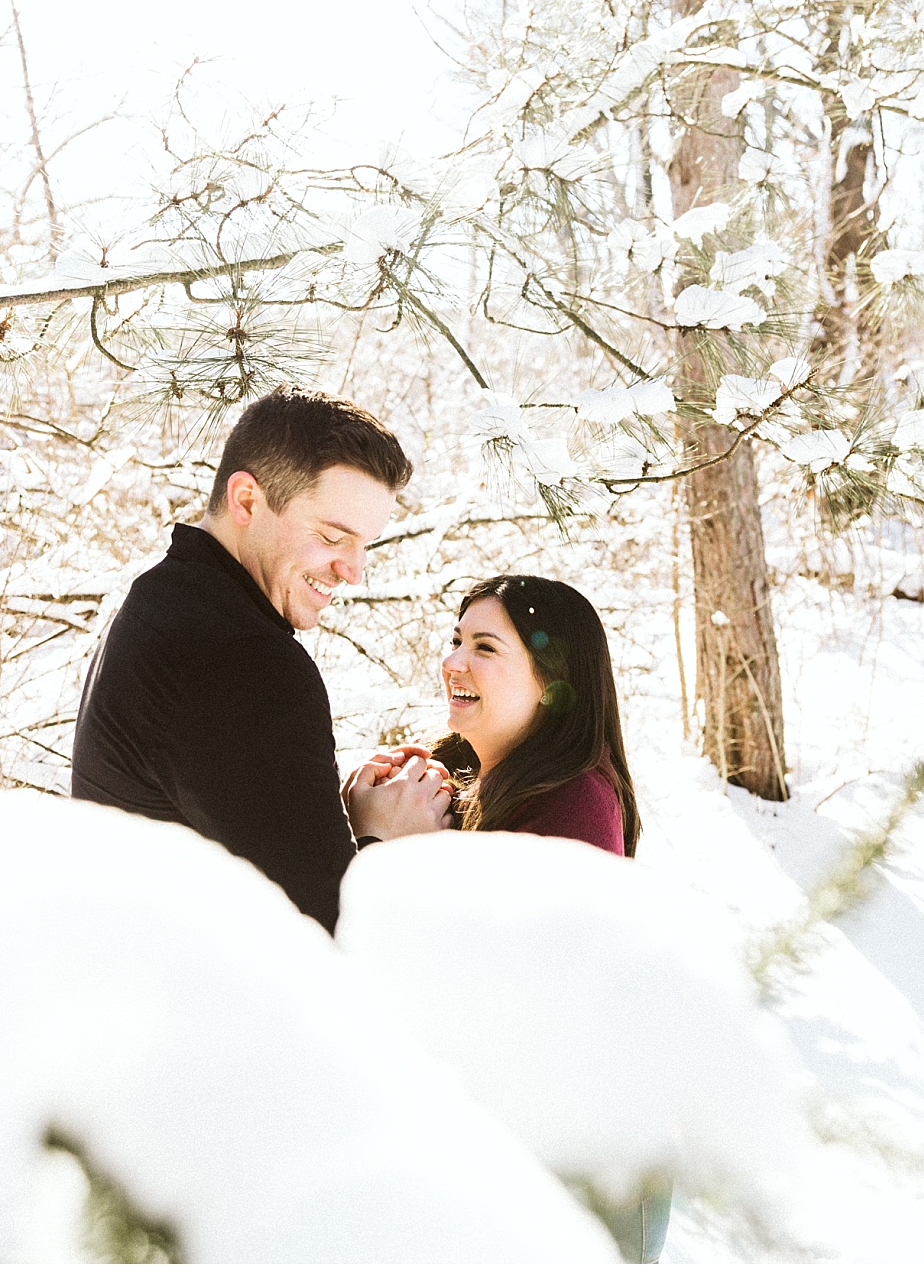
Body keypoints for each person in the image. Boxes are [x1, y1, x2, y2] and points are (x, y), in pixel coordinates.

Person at [69, 386, 451, 932]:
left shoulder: (161, 599)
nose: (353, 571)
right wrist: (385, 844)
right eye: (332, 537)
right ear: (247, 500)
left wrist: (343, 813)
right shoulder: (244, 659)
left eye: (364, 545)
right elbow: (325, 931)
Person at [349, 575, 640, 856]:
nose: (451, 662)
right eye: (456, 641)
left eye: (485, 647)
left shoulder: (575, 808)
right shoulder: (435, 768)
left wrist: (387, 845)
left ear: (553, 683)